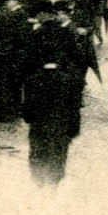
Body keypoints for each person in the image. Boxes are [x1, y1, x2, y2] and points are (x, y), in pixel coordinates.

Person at [21, 55, 84, 186]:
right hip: (61, 126)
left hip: (39, 126)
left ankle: (38, 182)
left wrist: (29, 118)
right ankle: (54, 184)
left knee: (38, 153)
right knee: (58, 154)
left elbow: (27, 108)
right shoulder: (70, 80)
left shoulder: (32, 79)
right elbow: (74, 107)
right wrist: (74, 128)